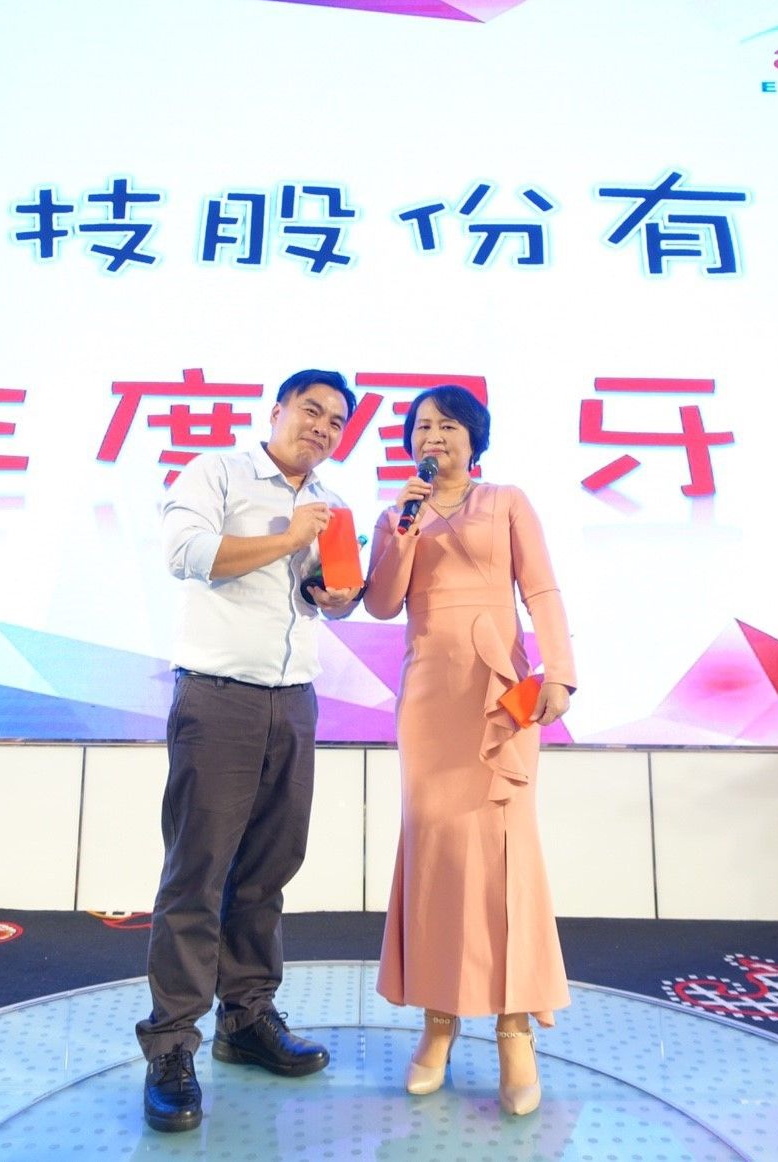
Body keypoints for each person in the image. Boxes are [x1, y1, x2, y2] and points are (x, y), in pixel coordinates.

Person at [137, 369, 361, 1133]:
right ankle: (172, 1047)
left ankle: (247, 1019)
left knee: (267, 873)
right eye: (311, 410)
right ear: (276, 411)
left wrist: (335, 593)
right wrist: (288, 537)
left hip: (293, 701)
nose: (322, 427)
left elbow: (327, 593)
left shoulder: (330, 504)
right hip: (218, 698)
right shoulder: (218, 471)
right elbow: (186, 552)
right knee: (197, 876)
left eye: (336, 421)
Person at [363, 385, 576, 1116]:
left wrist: (560, 671)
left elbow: (541, 590)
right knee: (436, 853)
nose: (434, 435)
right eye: (423, 425)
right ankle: (438, 1021)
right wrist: (403, 528)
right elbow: (382, 603)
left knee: (505, 852)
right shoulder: (397, 513)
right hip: (429, 697)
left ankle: (515, 1030)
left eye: (448, 424)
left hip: (498, 694)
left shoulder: (507, 501)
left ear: (473, 438)